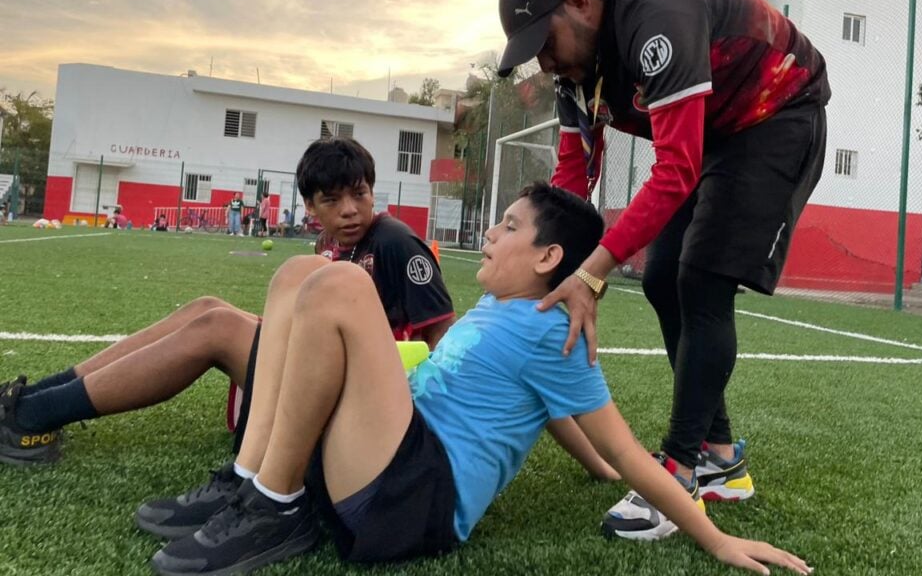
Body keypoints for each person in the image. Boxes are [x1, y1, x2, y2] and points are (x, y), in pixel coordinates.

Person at [146, 182, 812, 576]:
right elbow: (549, 412)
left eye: (510, 227)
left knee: (343, 283)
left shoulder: (557, 330)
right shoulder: (497, 307)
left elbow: (625, 450)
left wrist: (715, 539)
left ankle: (275, 508)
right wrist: (596, 471)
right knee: (299, 274)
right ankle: (254, 481)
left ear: (549, 257)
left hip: (410, 502)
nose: (490, 234)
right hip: (381, 461)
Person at [496, 0, 830, 539]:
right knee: (660, 279)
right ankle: (721, 459)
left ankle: (675, 477)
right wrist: (542, 272)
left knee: (700, 281)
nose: (544, 61)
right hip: (718, 136)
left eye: (543, 42)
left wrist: (592, 275)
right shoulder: (574, 79)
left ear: (578, 3)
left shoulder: (657, 24)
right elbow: (573, 184)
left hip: (778, 114)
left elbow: (675, 170)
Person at [0, 138, 457, 468]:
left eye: (359, 194)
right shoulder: (325, 246)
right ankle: (34, 397)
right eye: (332, 200)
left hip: (358, 392)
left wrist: (411, 424)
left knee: (216, 328)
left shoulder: (394, 240)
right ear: (310, 207)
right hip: (316, 369)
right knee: (205, 308)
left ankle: (32, 417)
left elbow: (442, 333)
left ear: (373, 192)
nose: (350, 210)